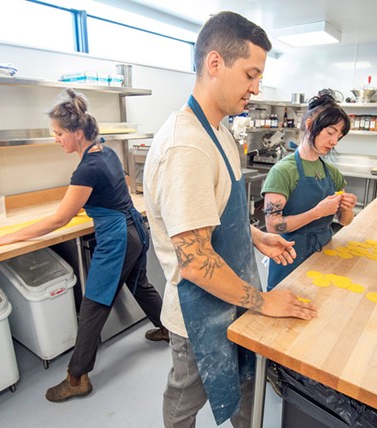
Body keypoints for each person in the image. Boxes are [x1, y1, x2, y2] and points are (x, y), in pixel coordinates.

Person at [143, 11, 318, 428]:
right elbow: (196, 262)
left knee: (245, 389)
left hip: (233, 295)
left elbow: (217, 214)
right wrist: (265, 302)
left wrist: (254, 235)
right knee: (186, 400)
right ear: (215, 63)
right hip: (199, 311)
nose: (256, 88)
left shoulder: (219, 131)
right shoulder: (186, 148)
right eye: (251, 75)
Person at [0, 88, 169, 403]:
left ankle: (77, 377)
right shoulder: (103, 151)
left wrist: (7, 237)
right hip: (134, 229)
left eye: (58, 133)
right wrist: (96, 202)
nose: (56, 138)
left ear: (77, 133)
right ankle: (167, 329)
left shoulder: (87, 168)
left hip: (118, 239)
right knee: (140, 284)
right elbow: (120, 184)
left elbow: (58, 220)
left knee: (92, 306)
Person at [261, 94, 357, 290]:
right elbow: (273, 226)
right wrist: (317, 212)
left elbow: (345, 221)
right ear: (311, 125)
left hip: (324, 252)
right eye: (330, 132)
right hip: (289, 257)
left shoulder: (332, 173)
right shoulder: (283, 171)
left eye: (338, 136)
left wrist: (347, 208)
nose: (334, 141)